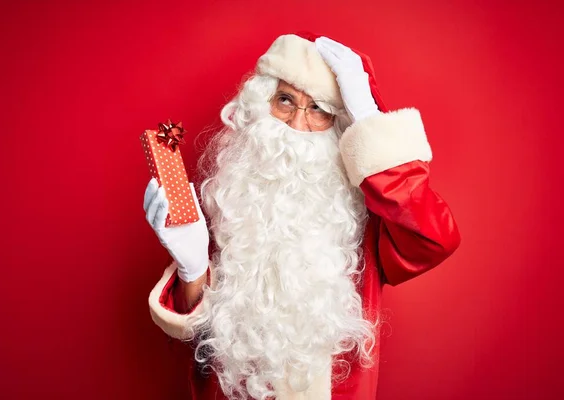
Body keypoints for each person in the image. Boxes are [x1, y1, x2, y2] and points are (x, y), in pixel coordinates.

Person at [144, 32, 461, 400]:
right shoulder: (229, 204)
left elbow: (433, 238)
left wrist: (369, 122)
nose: (296, 124)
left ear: (341, 126)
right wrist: (193, 271)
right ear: (262, 105)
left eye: (319, 110)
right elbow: (202, 352)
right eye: (285, 101)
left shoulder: (364, 221)